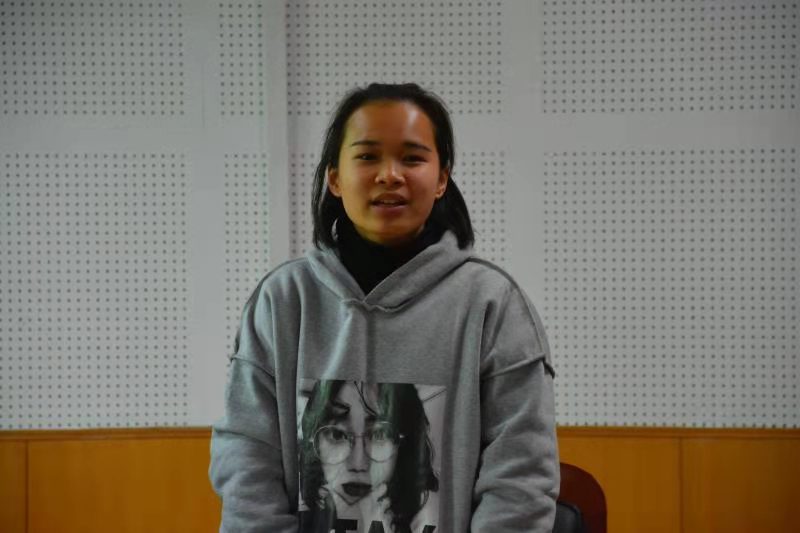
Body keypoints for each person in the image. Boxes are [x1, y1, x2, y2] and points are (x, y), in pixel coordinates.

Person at [209, 82, 560, 533]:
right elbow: (246, 460)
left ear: (442, 179)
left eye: (412, 158)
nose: (390, 175)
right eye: (368, 156)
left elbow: (521, 479)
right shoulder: (282, 300)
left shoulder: (494, 305)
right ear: (335, 177)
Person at [297, 380, 439, 532]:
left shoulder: (432, 512)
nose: (358, 464)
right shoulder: (299, 510)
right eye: (337, 434)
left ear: (404, 446)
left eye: (379, 434)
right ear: (315, 442)